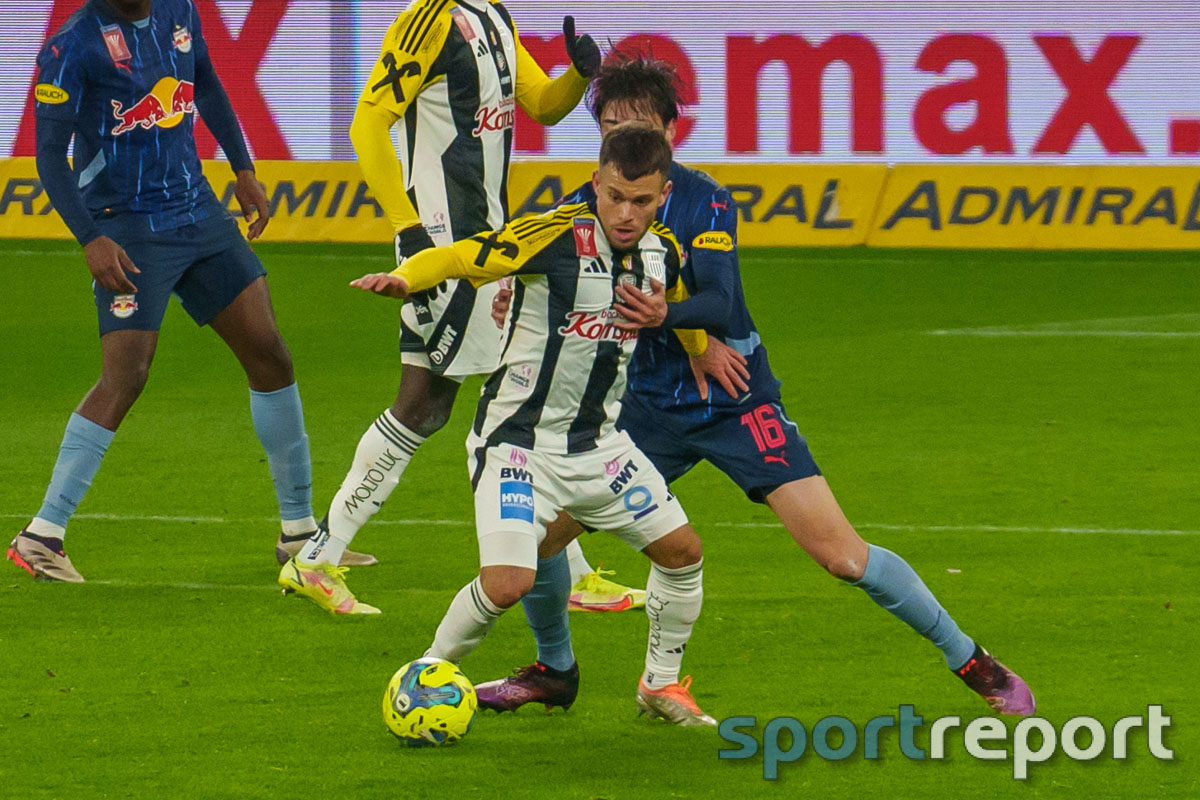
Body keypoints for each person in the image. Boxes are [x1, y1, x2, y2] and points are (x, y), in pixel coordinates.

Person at [478, 54, 1036, 717]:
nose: (625, 140)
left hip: (734, 401)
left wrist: (676, 322)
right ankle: (555, 670)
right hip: (638, 413)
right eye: (609, 126)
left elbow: (717, 296)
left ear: (669, 134)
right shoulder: (578, 207)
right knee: (535, 544)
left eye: (639, 125)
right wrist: (513, 296)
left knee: (841, 555)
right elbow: (536, 279)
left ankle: (971, 660)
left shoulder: (706, 198)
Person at [275, 1, 643, 612]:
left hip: (487, 237)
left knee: (462, 399)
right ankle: (318, 557)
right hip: (443, 238)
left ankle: (319, 557)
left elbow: (543, 105)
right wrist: (409, 228)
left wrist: (578, 75)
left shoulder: (491, 14)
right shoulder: (429, 18)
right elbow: (368, 122)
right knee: (471, 400)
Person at [349, 124, 722, 726]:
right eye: (615, 196)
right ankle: (423, 676)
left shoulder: (664, 250)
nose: (626, 214)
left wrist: (698, 346)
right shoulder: (551, 234)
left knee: (683, 553)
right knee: (507, 583)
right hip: (517, 444)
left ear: (664, 195)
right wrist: (406, 278)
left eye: (642, 201)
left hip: (600, 448)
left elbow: (670, 298)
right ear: (596, 182)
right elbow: (463, 256)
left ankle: (659, 686)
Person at [8, 0, 320, 582]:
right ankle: (41, 534)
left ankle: (300, 533)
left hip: (197, 212)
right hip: (125, 224)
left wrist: (243, 168)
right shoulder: (72, 45)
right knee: (127, 374)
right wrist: (91, 238)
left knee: (269, 352)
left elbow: (206, 83)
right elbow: (48, 155)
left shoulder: (179, 10)